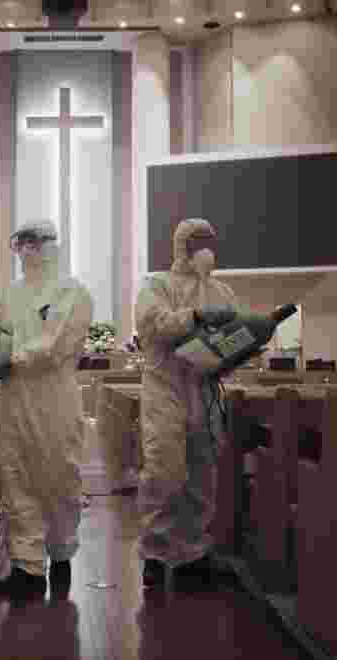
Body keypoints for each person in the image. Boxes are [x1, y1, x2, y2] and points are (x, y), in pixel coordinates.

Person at [0, 219, 94, 598]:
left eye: (32, 242)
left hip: (54, 399)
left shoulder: (71, 291)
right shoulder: (12, 294)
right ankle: (27, 569)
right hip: (14, 397)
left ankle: (61, 551)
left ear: (49, 245)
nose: (25, 251)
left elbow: (53, 346)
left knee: (60, 477)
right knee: (17, 478)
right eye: (20, 243)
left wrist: (11, 357)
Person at [134, 217, 240, 590]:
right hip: (166, 386)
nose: (205, 248)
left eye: (209, 240)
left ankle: (192, 552)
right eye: (197, 241)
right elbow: (154, 326)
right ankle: (155, 551)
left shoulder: (223, 292)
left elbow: (234, 338)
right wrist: (194, 317)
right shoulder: (156, 285)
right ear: (181, 245)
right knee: (163, 468)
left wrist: (234, 349)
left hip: (205, 388)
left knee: (202, 470)